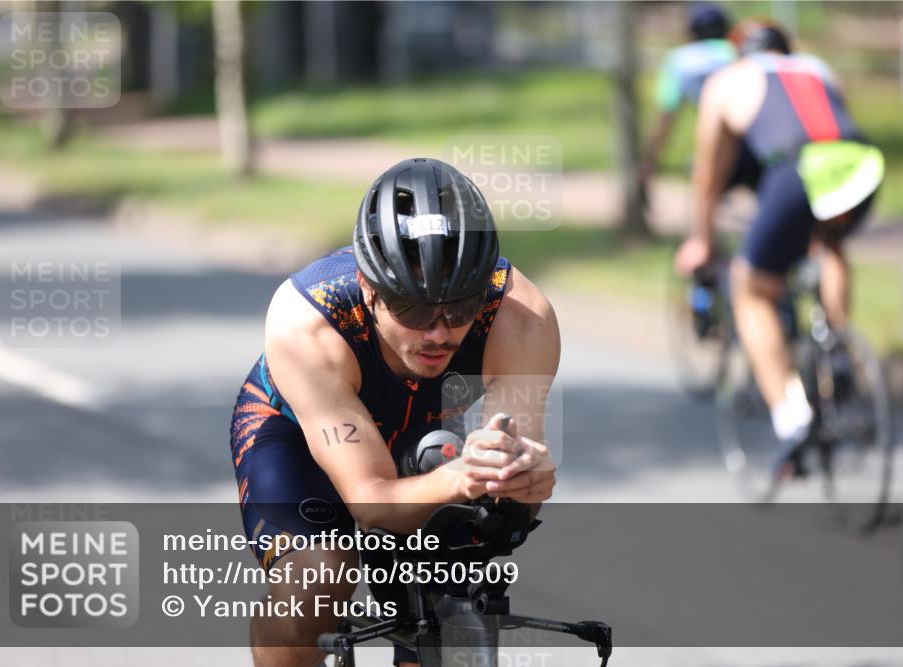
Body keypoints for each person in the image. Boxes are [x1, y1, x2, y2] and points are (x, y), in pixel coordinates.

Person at [228, 158, 561, 667]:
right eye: (414, 310)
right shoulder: (307, 322)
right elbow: (372, 501)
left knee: (452, 595)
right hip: (296, 432)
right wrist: (467, 475)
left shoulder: (521, 319)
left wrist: (520, 482)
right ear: (369, 290)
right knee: (320, 575)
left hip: (428, 431)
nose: (439, 332)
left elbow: (513, 491)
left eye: (460, 309)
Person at [675, 19, 885, 471]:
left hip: (796, 170)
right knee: (829, 242)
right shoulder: (818, 68)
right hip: (860, 163)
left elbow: (708, 179)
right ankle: (839, 351)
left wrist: (702, 240)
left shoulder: (726, 80)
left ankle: (792, 420)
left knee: (750, 287)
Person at [638, 3, 737, 190]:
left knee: (703, 179)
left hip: (717, 142)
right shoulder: (737, 52)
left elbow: (666, 117)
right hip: (756, 140)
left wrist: (649, 160)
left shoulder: (680, 59)